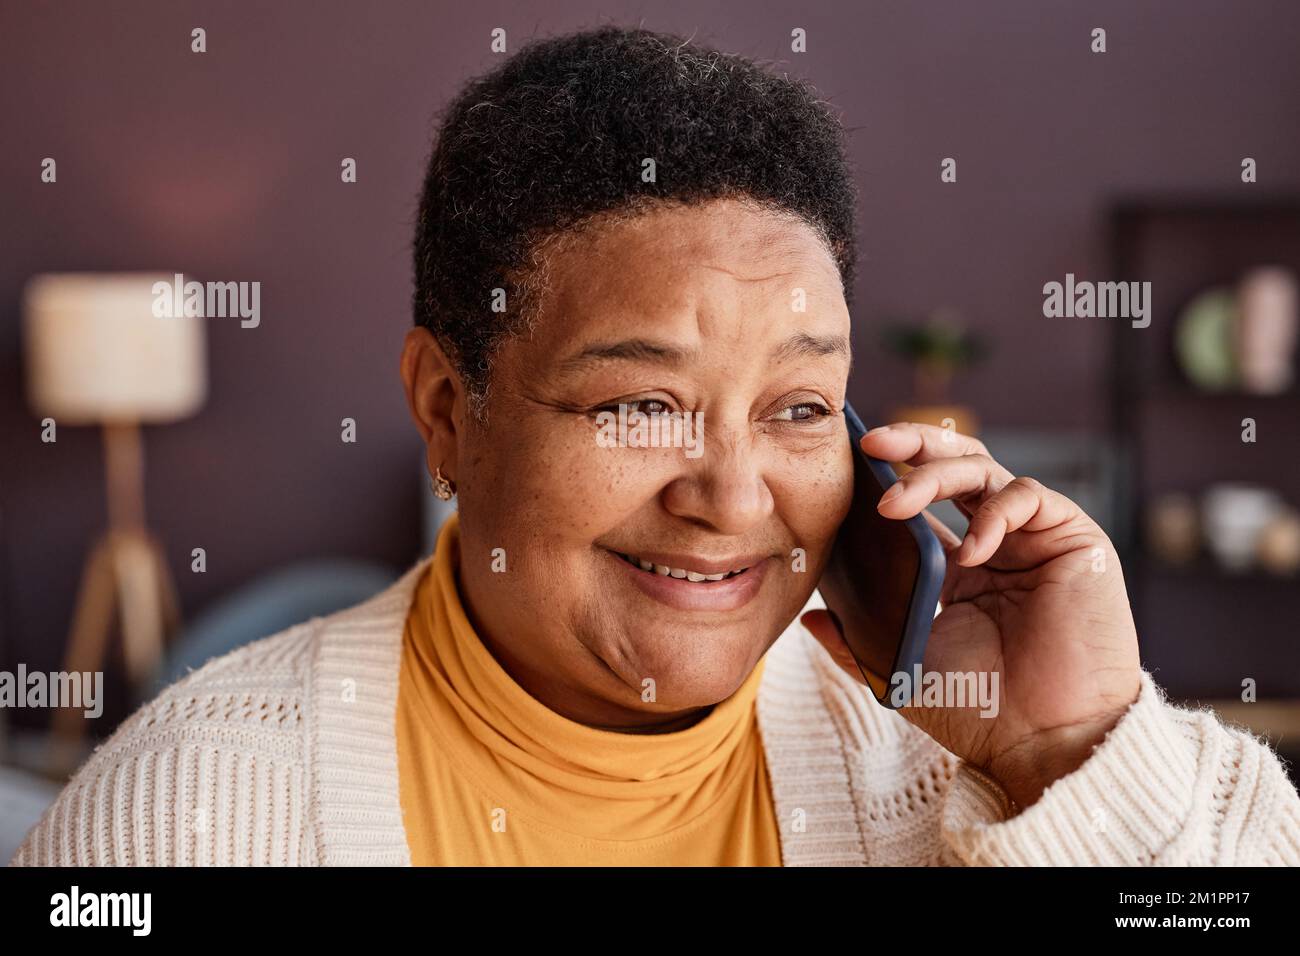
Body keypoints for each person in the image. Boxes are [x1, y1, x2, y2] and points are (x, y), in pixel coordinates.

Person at [13, 26, 1300, 867]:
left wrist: (1064, 751)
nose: (734, 495)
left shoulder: (950, 758)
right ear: (447, 409)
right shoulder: (186, 816)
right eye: (638, 405)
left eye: (800, 408)